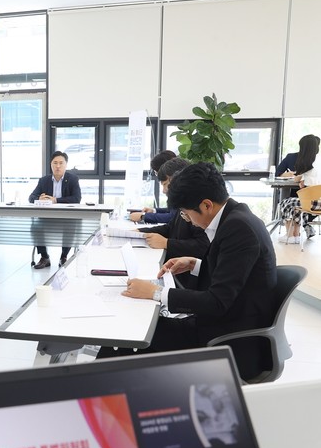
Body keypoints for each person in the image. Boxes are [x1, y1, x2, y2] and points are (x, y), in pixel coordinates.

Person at [99, 162, 277, 382]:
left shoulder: (238, 229)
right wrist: (196, 264)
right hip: (224, 323)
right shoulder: (237, 216)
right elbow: (236, 276)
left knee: (127, 337)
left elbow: (217, 301)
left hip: (229, 341)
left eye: (186, 214)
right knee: (133, 332)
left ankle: (97, 395)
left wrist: (155, 292)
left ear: (206, 205)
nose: (188, 221)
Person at [137, 158, 209, 287]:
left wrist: (167, 243)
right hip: (178, 273)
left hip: (188, 280)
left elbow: (203, 245)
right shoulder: (183, 203)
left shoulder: (196, 207)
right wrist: (139, 232)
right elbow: (170, 227)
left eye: (165, 184)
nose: (164, 190)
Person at [29, 151, 81, 268]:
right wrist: (39, 198)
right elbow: (31, 197)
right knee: (35, 227)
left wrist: (56, 200)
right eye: (55, 163)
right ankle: (44, 257)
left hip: (67, 218)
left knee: (70, 226)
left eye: (61, 163)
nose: (58, 166)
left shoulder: (73, 179)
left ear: (66, 165)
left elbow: (76, 198)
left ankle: (64, 257)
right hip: (47, 219)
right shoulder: (44, 180)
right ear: (51, 164)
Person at [277, 135, 320, 243]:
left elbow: (297, 179)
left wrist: (296, 175)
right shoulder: (317, 162)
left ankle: (290, 235)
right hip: (318, 202)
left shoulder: (307, 165)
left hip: (310, 203)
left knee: (286, 202)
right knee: (297, 204)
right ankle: (296, 235)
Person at [129, 150, 177, 223]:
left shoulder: (180, 188)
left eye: (156, 172)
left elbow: (173, 217)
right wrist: (154, 211)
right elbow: (173, 211)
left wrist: (144, 216)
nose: (164, 191)